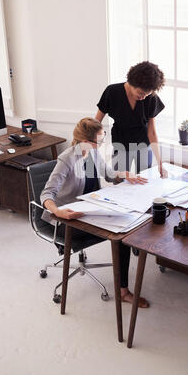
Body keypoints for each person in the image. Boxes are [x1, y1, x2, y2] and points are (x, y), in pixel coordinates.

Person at [40, 117, 149, 308]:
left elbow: (108, 174)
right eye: (98, 141)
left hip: (91, 211)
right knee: (120, 235)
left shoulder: (92, 154)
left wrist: (125, 175)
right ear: (85, 142)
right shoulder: (66, 160)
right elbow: (47, 194)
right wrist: (58, 212)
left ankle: (122, 289)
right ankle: (123, 292)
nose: (101, 145)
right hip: (69, 219)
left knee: (126, 226)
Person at [95, 61, 167, 177]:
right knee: (119, 180)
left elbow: (152, 132)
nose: (143, 98)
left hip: (144, 144)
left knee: (144, 180)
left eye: (147, 94)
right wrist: (91, 144)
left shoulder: (151, 98)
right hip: (121, 144)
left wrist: (159, 163)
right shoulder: (112, 92)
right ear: (131, 83)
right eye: (140, 93)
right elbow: (96, 122)